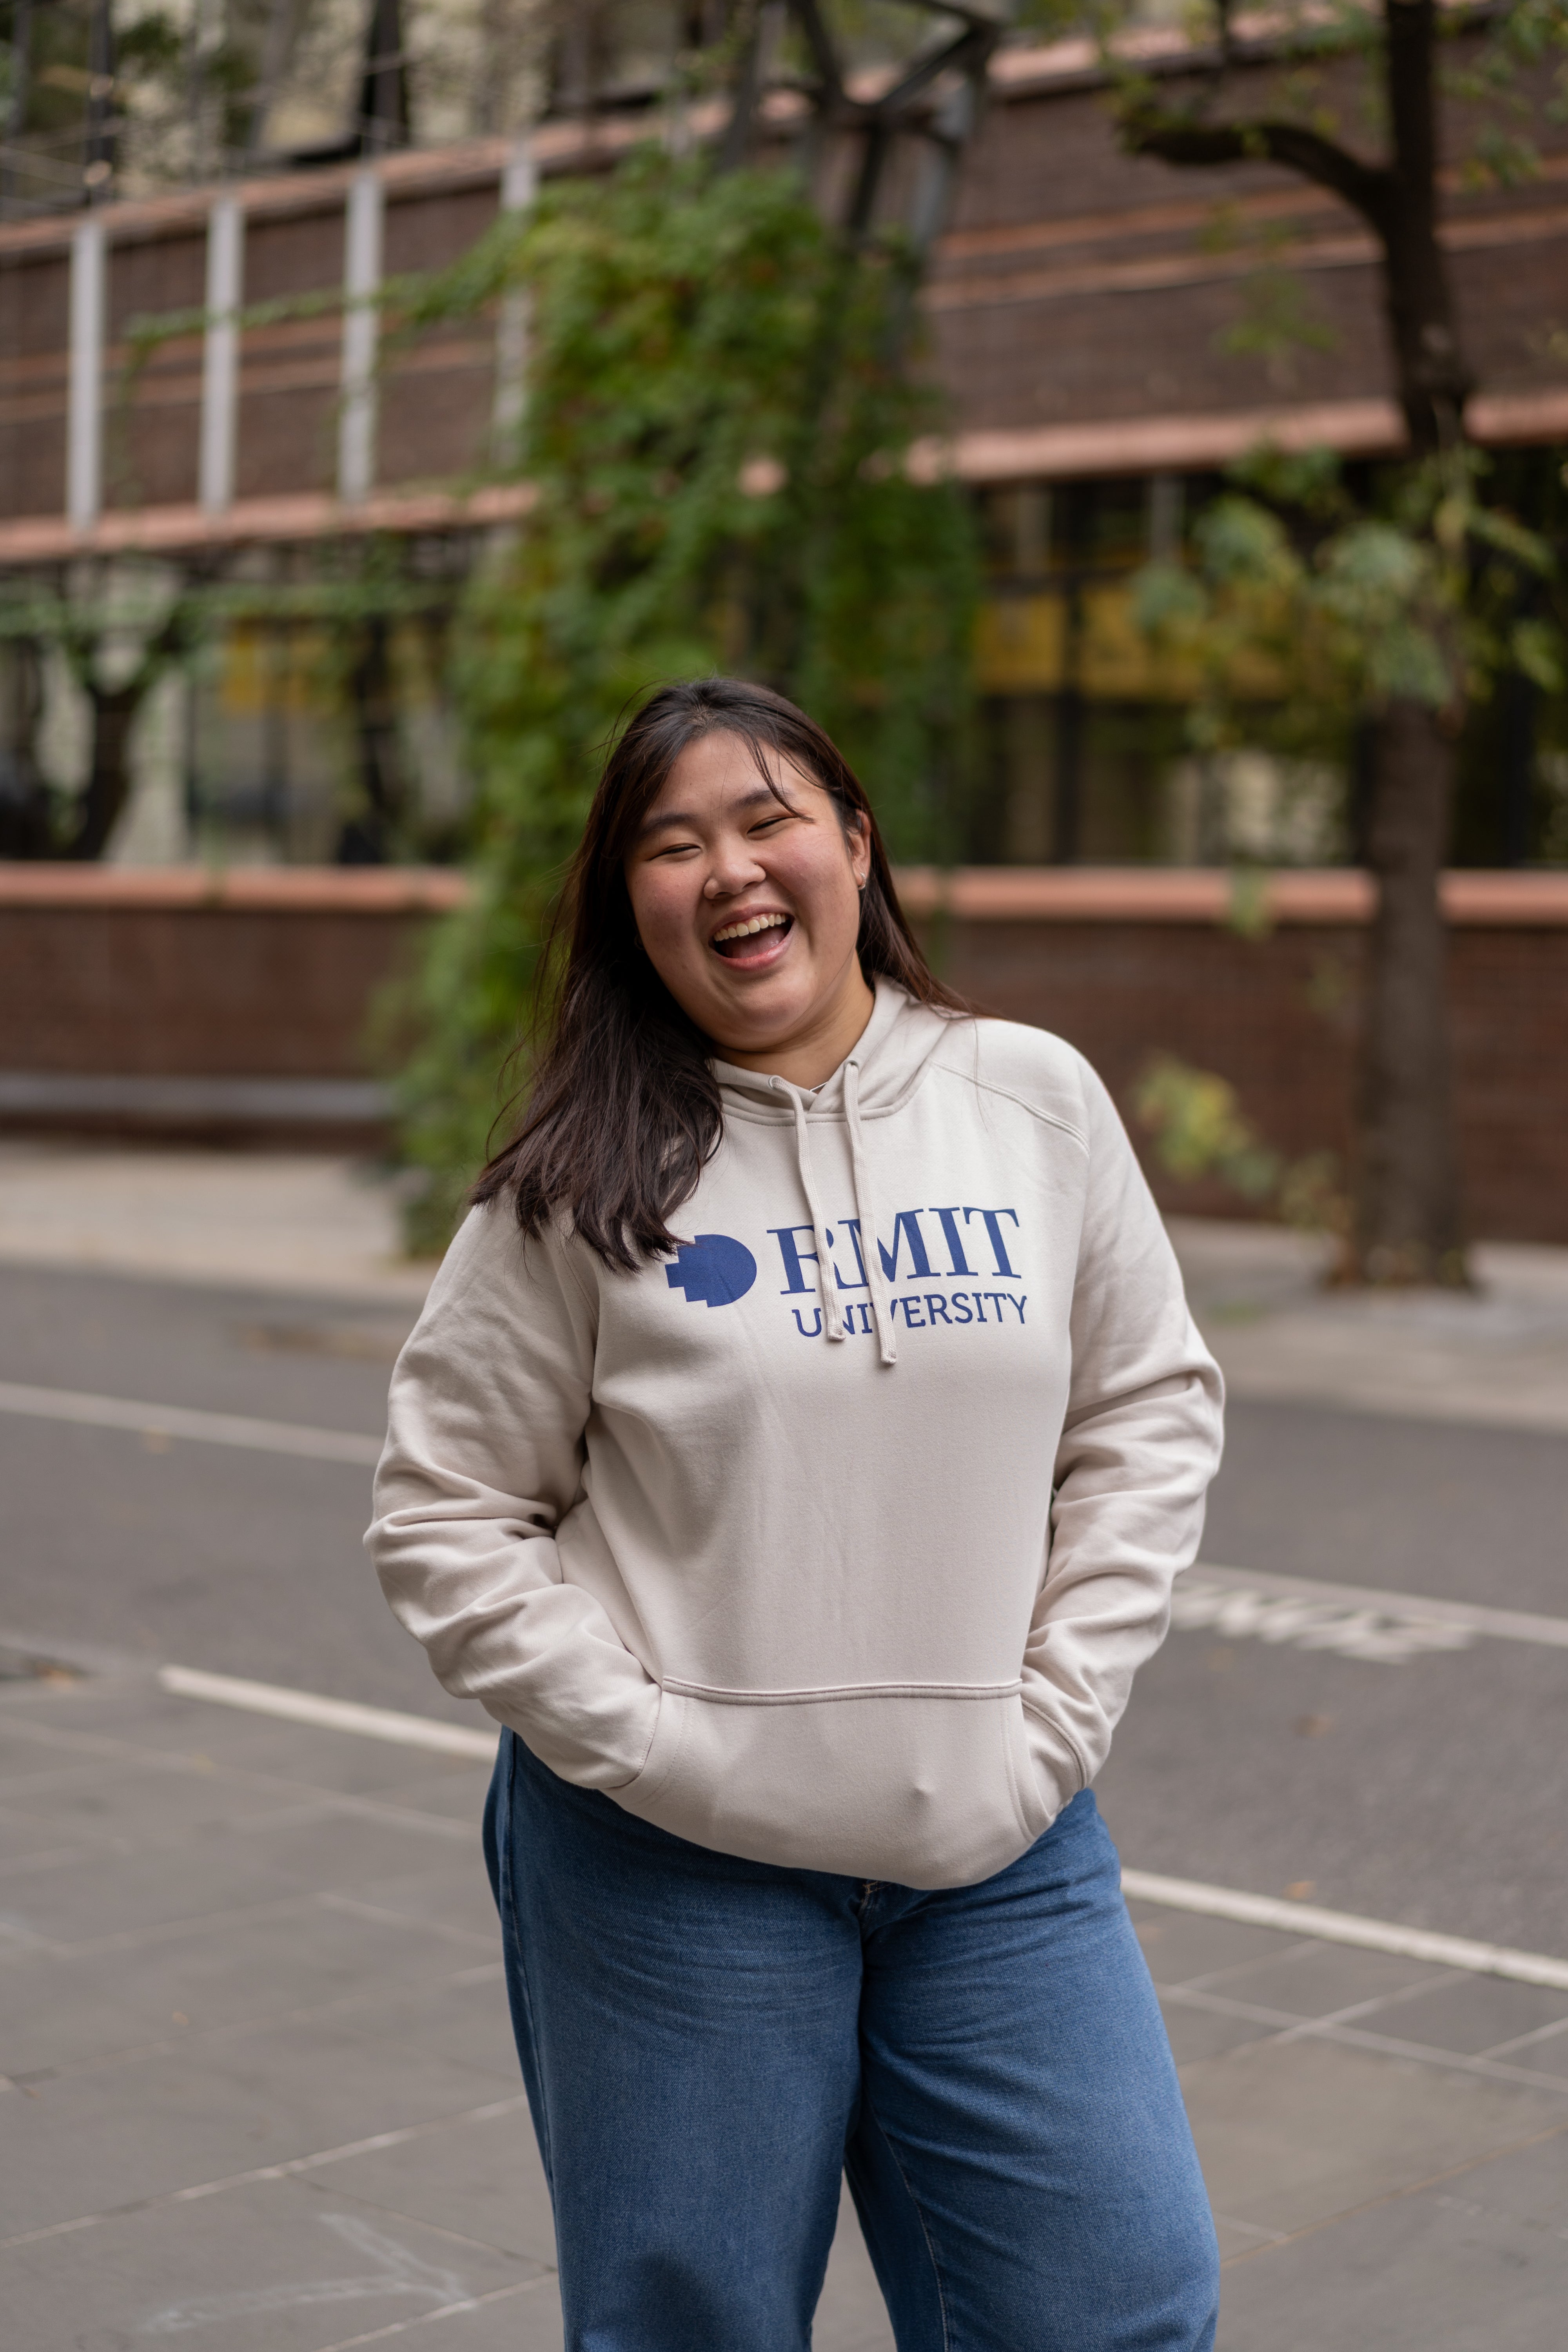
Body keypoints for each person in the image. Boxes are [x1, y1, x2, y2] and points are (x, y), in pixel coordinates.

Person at [367, 677, 1225, 2352]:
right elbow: (443, 1508)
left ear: (853, 840)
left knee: (1115, 2302)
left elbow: (1145, 1408)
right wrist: (660, 1744)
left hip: (998, 1846)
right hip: (668, 1863)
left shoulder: (1029, 1101)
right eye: (670, 846)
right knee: (695, 2325)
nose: (731, 872)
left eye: (767, 820)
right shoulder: (581, 1175)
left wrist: (1049, 1719)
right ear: (633, 908)